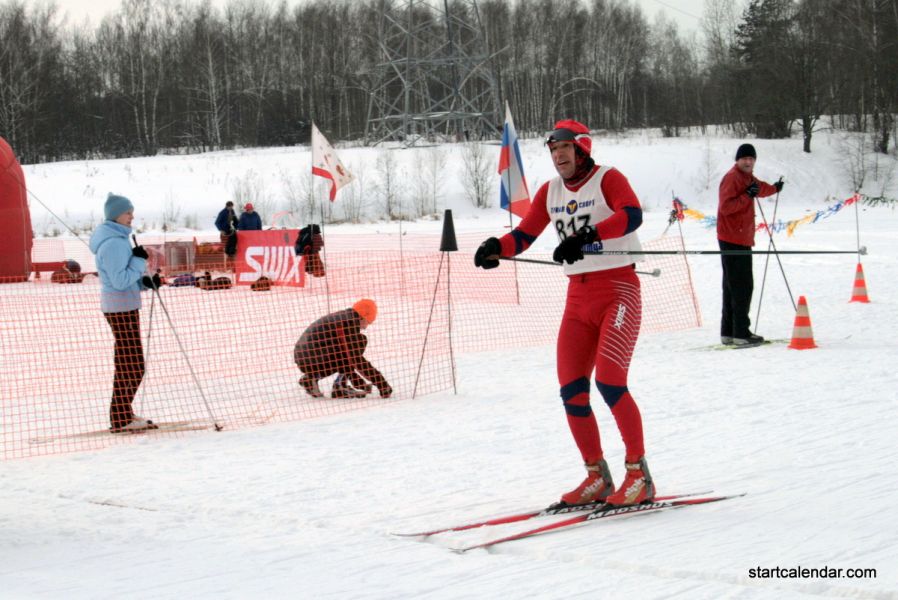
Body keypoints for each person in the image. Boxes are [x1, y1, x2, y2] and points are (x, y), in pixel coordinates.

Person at [474, 119, 652, 507]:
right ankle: (596, 475)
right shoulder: (550, 191)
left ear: (582, 149)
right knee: (572, 388)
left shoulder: (608, 178)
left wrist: (589, 236)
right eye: (554, 151)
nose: (559, 157)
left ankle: (638, 474)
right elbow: (524, 235)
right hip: (578, 297)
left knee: (610, 381)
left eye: (566, 149)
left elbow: (632, 214)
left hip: (618, 289)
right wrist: (495, 248)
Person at [89, 193, 162, 433]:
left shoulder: (118, 239)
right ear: (115, 215)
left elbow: (122, 278)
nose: (132, 216)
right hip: (120, 308)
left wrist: (144, 283)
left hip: (124, 305)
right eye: (128, 212)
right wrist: (139, 263)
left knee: (130, 363)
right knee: (132, 365)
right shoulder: (113, 243)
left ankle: (123, 412)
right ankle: (120, 417)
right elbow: (119, 281)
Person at [717, 143, 784, 347]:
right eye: (744, 158)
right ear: (737, 160)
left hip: (739, 237)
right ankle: (741, 333)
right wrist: (747, 195)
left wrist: (774, 188)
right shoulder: (732, 177)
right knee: (742, 287)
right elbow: (727, 207)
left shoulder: (746, 177)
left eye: (751, 159)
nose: (748, 162)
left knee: (731, 286)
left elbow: (758, 188)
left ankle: (728, 332)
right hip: (733, 238)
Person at [293, 299, 392, 400]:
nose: (366, 327)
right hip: (313, 357)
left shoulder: (343, 317)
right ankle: (339, 386)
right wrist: (382, 384)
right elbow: (355, 359)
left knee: (353, 345)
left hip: (305, 357)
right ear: (363, 316)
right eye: (368, 322)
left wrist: (355, 378)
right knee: (359, 342)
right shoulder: (348, 323)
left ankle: (313, 378)